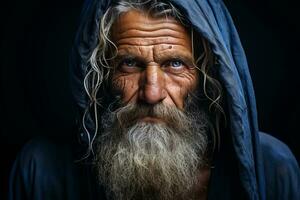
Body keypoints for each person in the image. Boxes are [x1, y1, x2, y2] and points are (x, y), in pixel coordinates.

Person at [8, 0, 300, 199]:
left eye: (175, 64)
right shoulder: (42, 171)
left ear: (207, 76)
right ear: (100, 75)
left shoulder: (273, 169)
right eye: (130, 64)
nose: (152, 93)